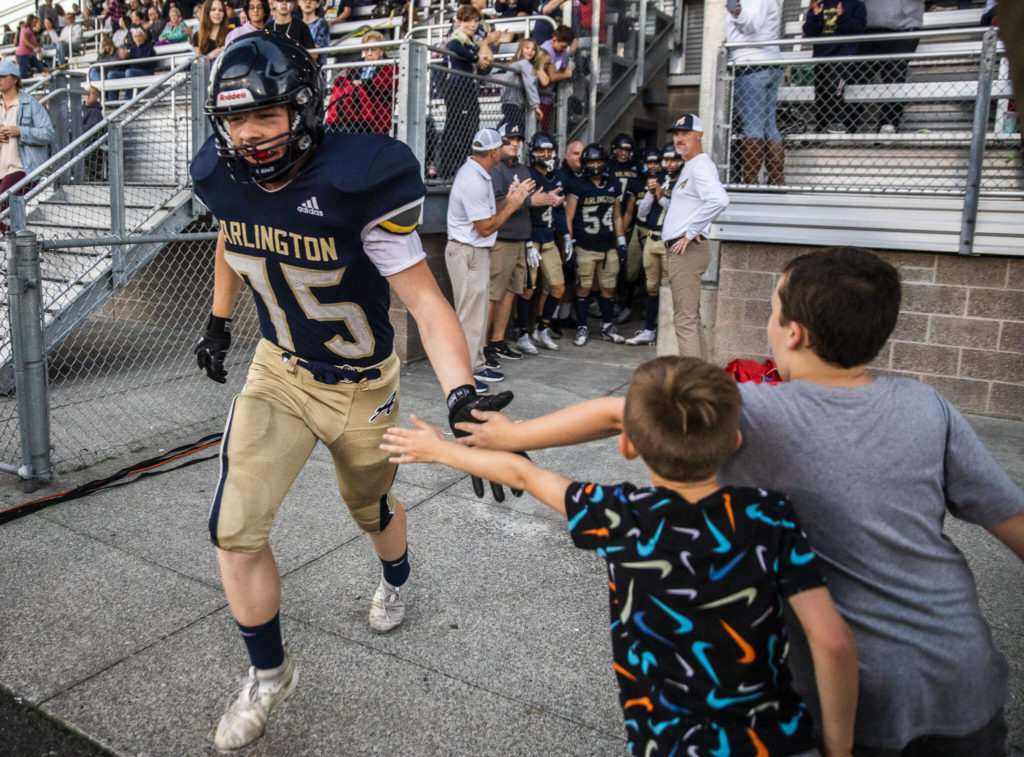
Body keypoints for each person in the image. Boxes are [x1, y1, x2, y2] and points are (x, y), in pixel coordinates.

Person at [458, 246, 1024, 757]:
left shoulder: (753, 410)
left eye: (774, 309)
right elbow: (1013, 522)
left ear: (793, 333)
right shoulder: (929, 406)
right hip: (963, 680)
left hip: (852, 704)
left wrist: (509, 436)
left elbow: (619, 411)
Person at [191, 33, 513, 751]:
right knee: (234, 527)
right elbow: (229, 233)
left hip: (364, 384)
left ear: (304, 107)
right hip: (278, 369)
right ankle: (269, 673)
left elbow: (427, 303)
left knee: (368, 506)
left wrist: (460, 393)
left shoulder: (358, 176)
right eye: (237, 120)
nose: (249, 135)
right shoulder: (222, 173)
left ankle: (397, 575)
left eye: (266, 115)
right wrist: (218, 321)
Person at [381, 355, 859, 757]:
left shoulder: (619, 515)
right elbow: (833, 643)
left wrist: (440, 451)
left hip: (666, 742)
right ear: (733, 442)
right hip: (776, 740)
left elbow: (522, 475)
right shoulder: (769, 517)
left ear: (627, 445)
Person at [445, 127, 535, 392]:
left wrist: (508, 200)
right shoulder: (473, 179)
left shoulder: (478, 173)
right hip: (467, 251)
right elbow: (485, 227)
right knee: (468, 317)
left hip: (475, 251)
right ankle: (462, 374)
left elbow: (488, 212)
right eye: (502, 147)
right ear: (494, 152)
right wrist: (514, 206)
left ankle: (476, 364)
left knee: (478, 314)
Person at [485, 122, 562, 360]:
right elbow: (497, 203)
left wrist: (547, 199)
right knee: (494, 295)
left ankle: (498, 340)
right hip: (502, 237)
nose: (515, 144)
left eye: (518, 140)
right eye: (509, 140)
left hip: (521, 239)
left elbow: (530, 199)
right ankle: (483, 345)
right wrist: (529, 201)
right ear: (499, 142)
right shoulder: (495, 168)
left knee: (511, 292)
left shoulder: (523, 168)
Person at [661, 114, 728, 359]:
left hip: (686, 250)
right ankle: (700, 375)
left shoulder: (700, 165)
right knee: (690, 317)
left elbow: (719, 200)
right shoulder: (691, 165)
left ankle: (692, 384)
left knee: (685, 320)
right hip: (683, 248)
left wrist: (691, 232)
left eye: (685, 134)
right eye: (676, 134)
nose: (679, 139)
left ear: (699, 135)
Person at [564, 143, 628, 346]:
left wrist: (621, 241)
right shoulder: (578, 186)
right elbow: (569, 217)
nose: (595, 166)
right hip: (585, 245)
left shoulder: (613, 184)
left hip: (608, 246)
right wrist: (570, 244)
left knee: (608, 288)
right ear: (585, 164)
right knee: (583, 288)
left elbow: (617, 216)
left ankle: (607, 326)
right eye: (591, 162)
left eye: (599, 161)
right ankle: (582, 326)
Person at [625, 142, 681, 347]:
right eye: (667, 159)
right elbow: (641, 213)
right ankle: (649, 330)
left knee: (668, 288)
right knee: (652, 287)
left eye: (674, 159)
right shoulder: (661, 180)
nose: (670, 163)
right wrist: (651, 193)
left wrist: (660, 195)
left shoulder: (683, 183)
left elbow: (677, 212)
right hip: (651, 238)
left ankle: (666, 333)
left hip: (669, 242)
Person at [727, 0, 784, 184]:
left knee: (753, 128)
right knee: (769, 127)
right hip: (770, 61)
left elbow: (750, 25)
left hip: (751, 62)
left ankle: (750, 181)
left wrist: (736, 11)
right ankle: (776, 179)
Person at [849, 0, 924, 136]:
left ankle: (888, 123)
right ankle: (847, 124)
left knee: (894, 76)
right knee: (856, 77)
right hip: (867, 27)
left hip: (904, 28)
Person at [521, 130, 565, 352]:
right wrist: (527, 240)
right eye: (541, 150)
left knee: (558, 286)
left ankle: (542, 328)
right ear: (533, 153)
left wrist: (566, 235)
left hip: (549, 238)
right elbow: (523, 209)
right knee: (529, 288)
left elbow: (558, 210)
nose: (546, 154)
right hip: (533, 238)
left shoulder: (556, 175)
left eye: (549, 150)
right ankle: (521, 333)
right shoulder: (528, 175)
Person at [438, 4, 492, 179]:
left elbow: (482, 64)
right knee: (454, 127)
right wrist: (477, 58)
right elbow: (453, 47)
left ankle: (463, 163)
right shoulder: (457, 37)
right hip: (456, 87)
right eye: (468, 20)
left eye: (476, 21)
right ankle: (446, 169)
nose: (473, 24)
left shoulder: (471, 42)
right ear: (460, 21)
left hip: (468, 87)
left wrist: (483, 53)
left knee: (469, 125)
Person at [0, 60, 55, 231]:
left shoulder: (30, 104)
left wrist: (20, 131)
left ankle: (17, 239)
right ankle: (17, 237)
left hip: (23, 168)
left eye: (3, 76)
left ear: (15, 79)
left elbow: (48, 133)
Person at [802, 0, 866, 133]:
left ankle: (841, 123)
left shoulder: (855, 5)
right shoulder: (819, 4)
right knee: (821, 92)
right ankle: (822, 126)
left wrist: (842, 16)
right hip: (822, 56)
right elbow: (809, 31)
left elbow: (857, 28)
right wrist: (815, 16)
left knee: (836, 88)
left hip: (844, 57)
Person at [497, 37, 544, 132]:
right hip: (514, 103)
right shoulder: (524, 63)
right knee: (516, 130)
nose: (530, 51)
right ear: (521, 49)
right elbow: (529, 84)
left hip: (510, 102)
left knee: (510, 128)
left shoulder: (516, 63)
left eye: (533, 49)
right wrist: (535, 106)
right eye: (527, 48)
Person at [538, 24, 574, 131]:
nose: (564, 50)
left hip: (547, 97)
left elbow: (560, 70)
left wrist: (564, 72)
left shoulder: (561, 52)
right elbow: (552, 76)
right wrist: (568, 74)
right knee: (540, 127)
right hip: (539, 95)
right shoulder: (548, 50)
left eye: (566, 47)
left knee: (544, 127)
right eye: (563, 46)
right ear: (554, 40)